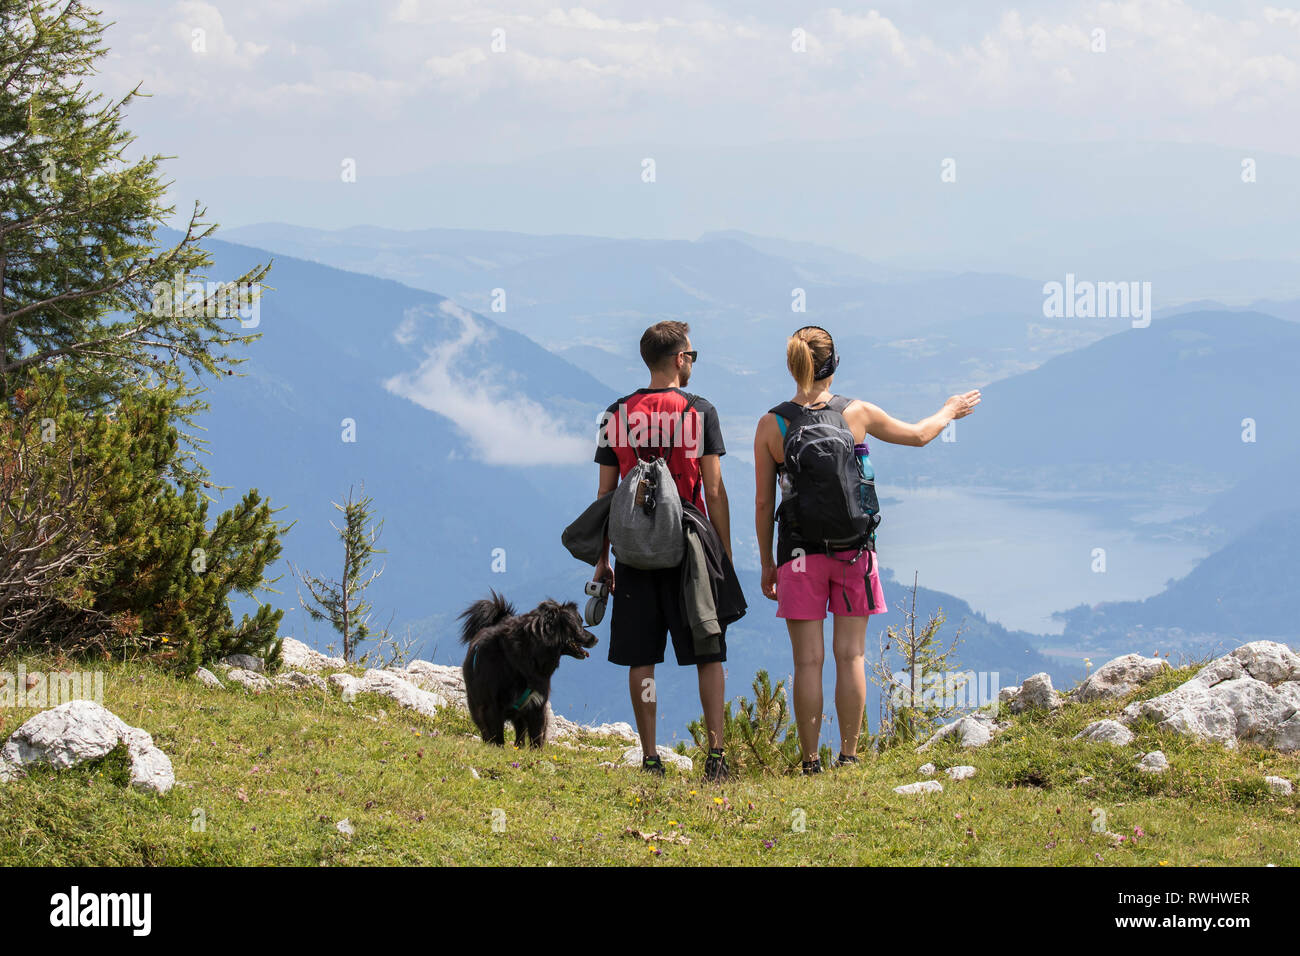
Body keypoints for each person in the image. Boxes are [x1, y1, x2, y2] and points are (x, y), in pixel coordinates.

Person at [753, 325, 981, 774]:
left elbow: (764, 502)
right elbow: (918, 435)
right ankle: (850, 757)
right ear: (832, 365)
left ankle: (809, 762)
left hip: (799, 555)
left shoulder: (771, 424)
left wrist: (767, 564)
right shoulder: (856, 413)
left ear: (792, 365)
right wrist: (950, 409)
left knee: (808, 660)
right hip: (854, 550)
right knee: (850, 655)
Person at [593, 321, 734, 781]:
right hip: (690, 546)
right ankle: (715, 757)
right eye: (691, 354)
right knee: (707, 650)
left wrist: (602, 559)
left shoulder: (614, 414)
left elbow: (605, 497)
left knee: (642, 656)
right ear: (679, 359)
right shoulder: (700, 411)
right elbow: (713, 489)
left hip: (633, 548)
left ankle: (650, 757)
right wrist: (724, 555)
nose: (692, 361)